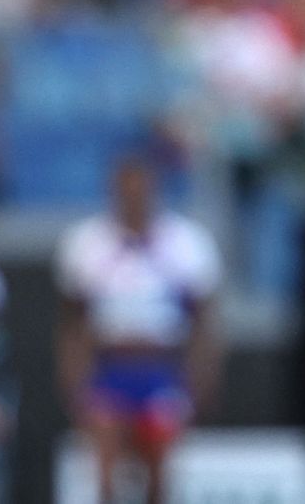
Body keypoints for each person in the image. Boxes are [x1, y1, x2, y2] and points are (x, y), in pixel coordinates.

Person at [55, 157, 222, 504]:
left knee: (160, 474)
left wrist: (199, 387)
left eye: (141, 190)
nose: (134, 199)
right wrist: (75, 386)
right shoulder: (87, 244)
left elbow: (204, 328)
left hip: (161, 369)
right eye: (126, 191)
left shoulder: (187, 244)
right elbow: (73, 326)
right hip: (110, 367)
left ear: (155, 191)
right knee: (104, 471)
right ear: (114, 192)